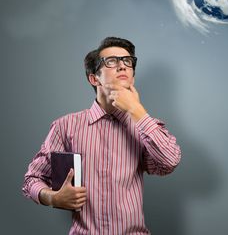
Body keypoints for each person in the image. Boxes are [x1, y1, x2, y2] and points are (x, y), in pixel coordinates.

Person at [22, 36, 181, 234]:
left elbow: (169, 162)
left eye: (128, 62)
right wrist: (53, 198)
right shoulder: (66, 126)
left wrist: (136, 110)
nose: (123, 66)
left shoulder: (143, 126)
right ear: (94, 78)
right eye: (112, 61)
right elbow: (32, 179)